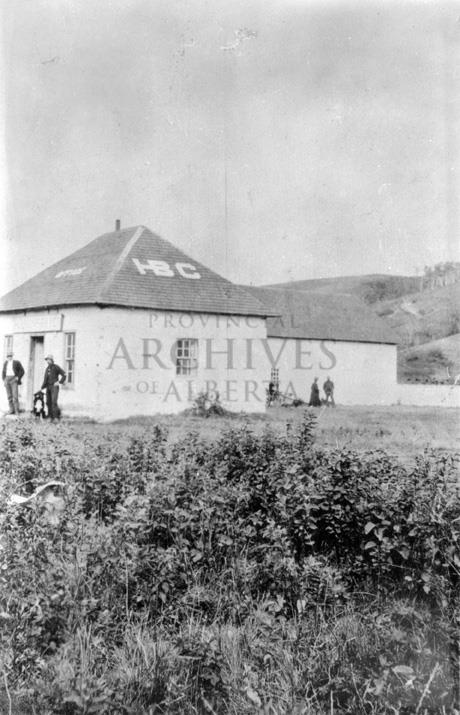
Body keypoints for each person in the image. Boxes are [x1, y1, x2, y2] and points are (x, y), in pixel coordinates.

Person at [41, 354, 66, 421]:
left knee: (54, 401)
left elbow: (64, 374)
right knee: (48, 402)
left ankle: (56, 417)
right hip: (48, 387)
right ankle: (50, 416)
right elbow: (45, 379)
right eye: (47, 360)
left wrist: (59, 382)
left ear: (52, 360)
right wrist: (42, 386)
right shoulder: (47, 369)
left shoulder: (56, 367)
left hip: (54, 387)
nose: (47, 361)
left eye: (49, 360)